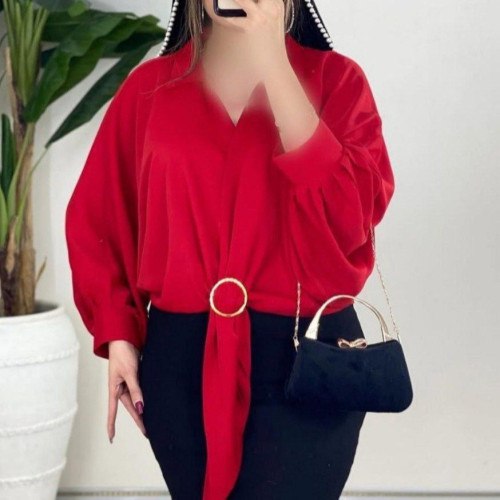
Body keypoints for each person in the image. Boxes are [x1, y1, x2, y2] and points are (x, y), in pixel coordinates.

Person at [65, 0, 396, 498]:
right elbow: (101, 218)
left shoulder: (339, 81)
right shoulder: (149, 89)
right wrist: (118, 336)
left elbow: (347, 223)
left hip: (309, 358)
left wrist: (274, 63)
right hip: (182, 363)